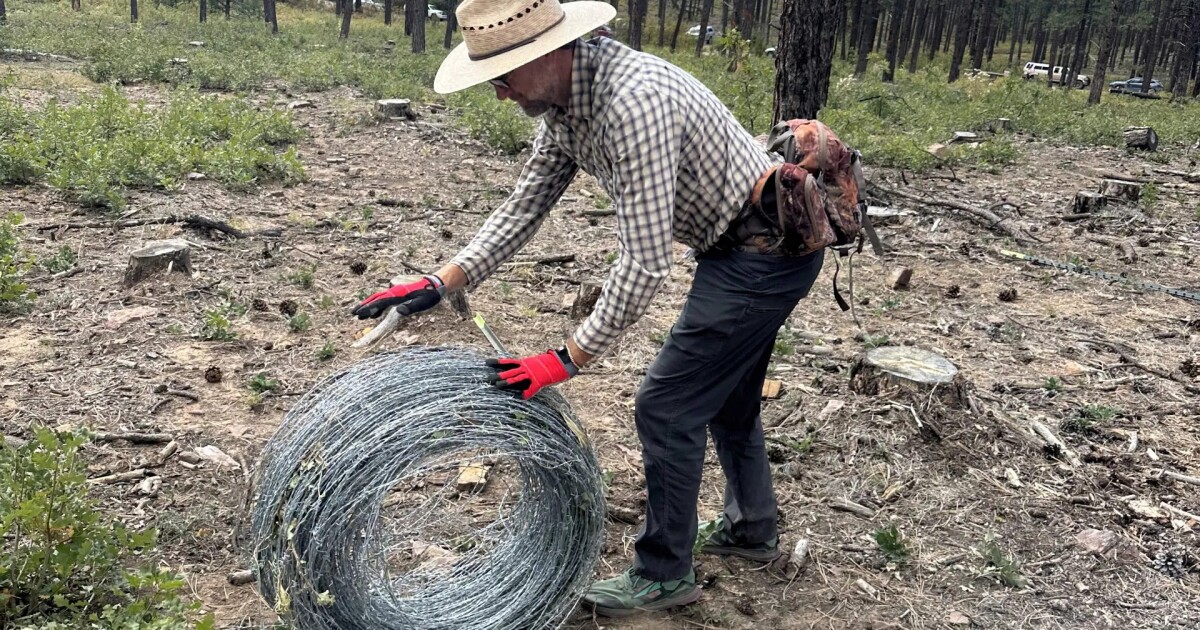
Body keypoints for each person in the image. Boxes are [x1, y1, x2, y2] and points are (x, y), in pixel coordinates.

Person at [350, 0, 825, 618]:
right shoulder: (564, 107)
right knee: (726, 397)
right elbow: (525, 206)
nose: (500, 92)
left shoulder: (634, 103)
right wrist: (443, 281)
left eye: (504, 75)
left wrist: (566, 358)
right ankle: (752, 529)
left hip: (762, 253)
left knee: (667, 405)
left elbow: (645, 261)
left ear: (549, 53)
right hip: (745, 246)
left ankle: (664, 575)